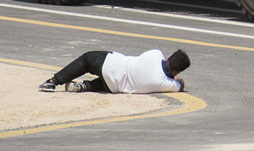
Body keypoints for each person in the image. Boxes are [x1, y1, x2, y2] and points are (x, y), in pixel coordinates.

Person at [39, 49, 189, 94]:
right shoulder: (165, 84)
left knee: (87, 59)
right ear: (177, 72)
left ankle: (53, 82)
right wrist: (175, 79)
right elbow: (180, 85)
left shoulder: (155, 54)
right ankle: (82, 87)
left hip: (111, 64)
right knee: (106, 84)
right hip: (114, 86)